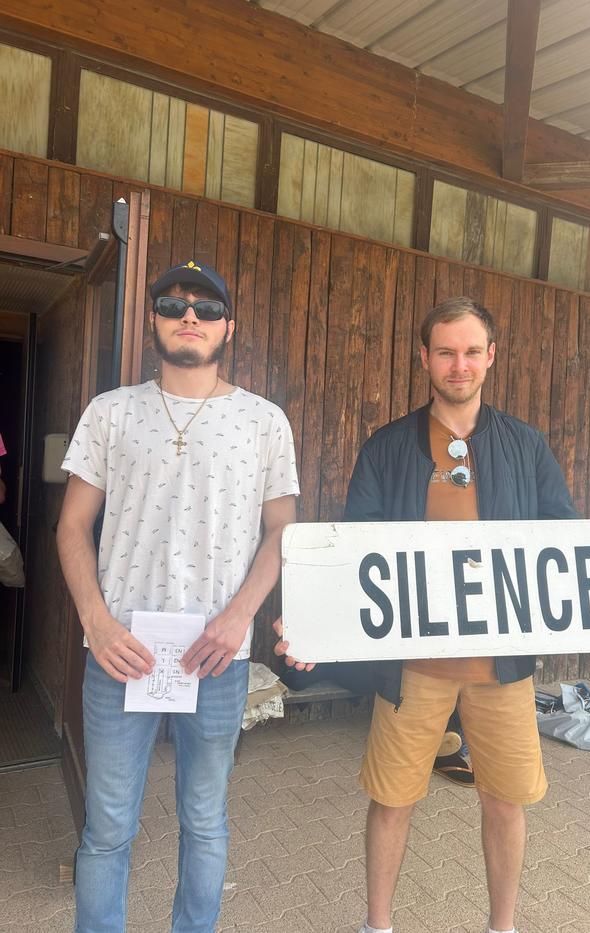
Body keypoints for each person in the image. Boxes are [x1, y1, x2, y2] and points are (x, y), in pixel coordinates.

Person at [276, 294, 590, 933]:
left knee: (505, 801)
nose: (459, 364)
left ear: (491, 356)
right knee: (391, 799)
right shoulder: (388, 447)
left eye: (472, 351)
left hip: (502, 665)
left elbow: (571, 543)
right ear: (425, 358)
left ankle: (503, 927)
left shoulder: (524, 446)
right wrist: (314, 624)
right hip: (410, 665)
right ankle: (378, 925)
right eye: (445, 351)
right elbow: (351, 549)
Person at [57, 260, 299, 933]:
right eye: (172, 302)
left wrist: (240, 615)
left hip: (215, 655)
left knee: (204, 818)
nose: (188, 314)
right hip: (120, 653)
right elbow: (72, 525)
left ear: (229, 325)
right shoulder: (110, 412)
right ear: (154, 320)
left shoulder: (264, 421)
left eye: (206, 305)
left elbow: (282, 529)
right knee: (107, 826)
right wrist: (96, 622)